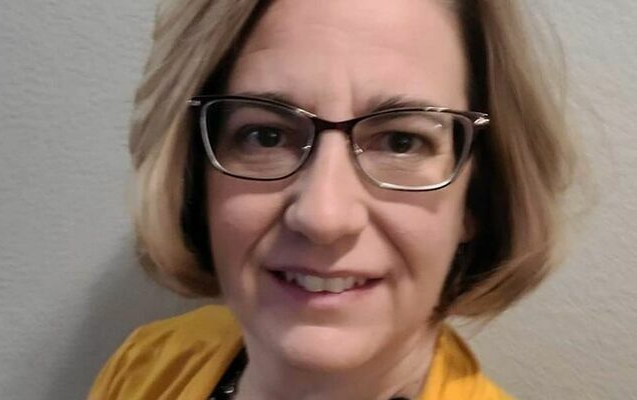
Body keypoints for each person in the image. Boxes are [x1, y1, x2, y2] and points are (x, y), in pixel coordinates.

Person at [88, 0, 577, 399]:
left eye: (401, 142)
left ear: (477, 195)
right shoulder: (146, 369)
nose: (323, 217)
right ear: (195, 174)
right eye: (266, 136)